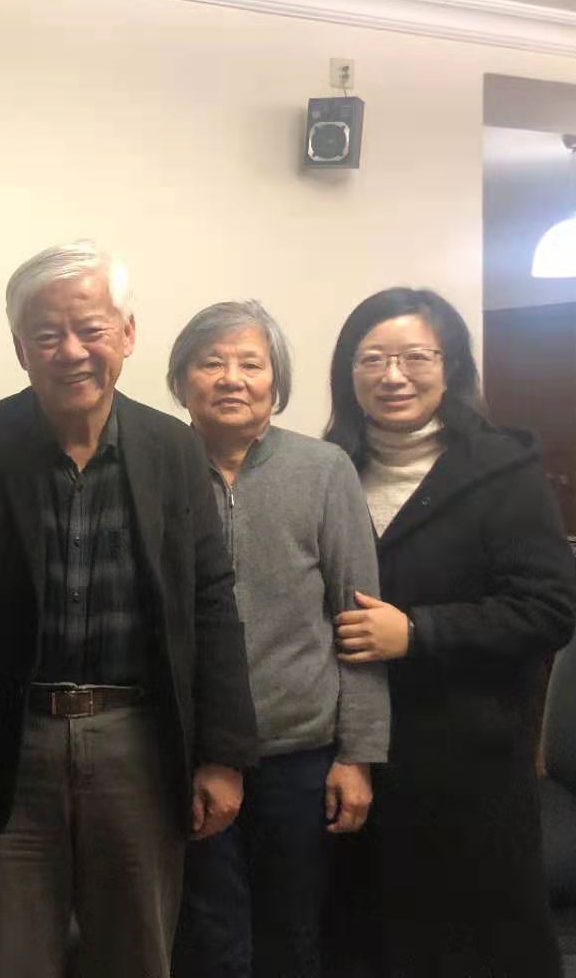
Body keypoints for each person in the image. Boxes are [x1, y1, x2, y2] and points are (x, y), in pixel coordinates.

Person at [0, 241, 258, 978]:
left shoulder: (173, 449)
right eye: (47, 335)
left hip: (139, 742)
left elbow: (211, 602)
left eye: (90, 329)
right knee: (10, 956)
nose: (71, 351)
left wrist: (224, 754)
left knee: (136, 956)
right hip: (12, 745)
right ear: (20, 349)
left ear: (127, 334)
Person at [323, 287, 576, 977]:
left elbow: (549, 609)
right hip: (353, 758)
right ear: (349, 372)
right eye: (372, 358)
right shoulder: (326, 467)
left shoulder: (502, 469)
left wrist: (417, 631)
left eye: (415, 356)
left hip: (468, 762)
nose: (393, 375)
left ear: (451, 365)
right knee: (358, 942)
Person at [166, 300, 388, 978]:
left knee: (292, 936)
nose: (231, 378)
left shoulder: (324, 470)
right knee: (206, 940)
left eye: (250, 363)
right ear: (181, 381)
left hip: (301, 755)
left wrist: (359, 754)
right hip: (189, 753)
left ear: (276, 380)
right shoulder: (156, 465)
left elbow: (359, 621)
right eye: (211, 363)